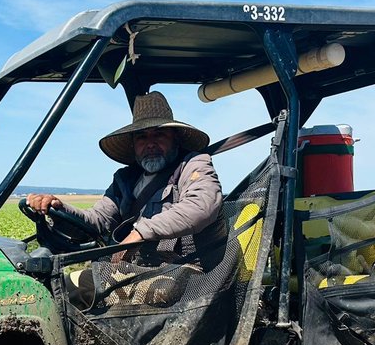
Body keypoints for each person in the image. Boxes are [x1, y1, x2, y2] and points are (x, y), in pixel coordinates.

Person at [25, 91, 227, 307]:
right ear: (133, 144)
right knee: (48, 288)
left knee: (73, 291)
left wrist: (141, 232)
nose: (150, 143)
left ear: (175, 139)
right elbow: (98, 219)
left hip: (181, 273)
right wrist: (58, 207)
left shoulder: (193, 165)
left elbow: (201, 206)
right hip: (134, 271)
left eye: (158, 134)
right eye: (142, 137)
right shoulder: (126, 179)